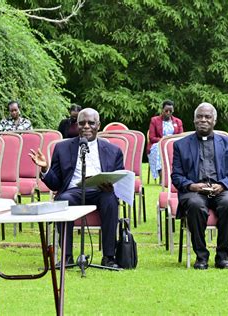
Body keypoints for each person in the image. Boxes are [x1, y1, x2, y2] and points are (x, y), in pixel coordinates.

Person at [29, 108, 124, 268]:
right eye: (82, 123)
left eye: (91, 123)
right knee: (63, 199)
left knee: (110, 200)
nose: (86, 126)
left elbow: (121, 179)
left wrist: (112, 186)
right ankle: (67, 257)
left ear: (98, 125)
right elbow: (56, 184)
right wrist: (45, 169)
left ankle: (109, 257)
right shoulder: (62, 148)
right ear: (76, 126)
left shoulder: (113, 151)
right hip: (73, 191)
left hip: (101, 191)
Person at [171, 103, 228, 270]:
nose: (203, 120)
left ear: (214, 121)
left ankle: (223, 257)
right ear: (194, 119)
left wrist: (222, 185)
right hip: (194, 192)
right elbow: (176, 176)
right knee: (195, 205)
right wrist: (193, 186)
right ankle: (201, 257)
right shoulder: (181, 145)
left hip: (221, 190)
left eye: (207, 117)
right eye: (200, 116)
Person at [147, 100, 183, 180]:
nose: (168, 113)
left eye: (170, 111)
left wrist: (170, 142)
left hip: (173, 144)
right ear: (162, 110)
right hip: (158, 143)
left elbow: (181, 137)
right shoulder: (154, 120)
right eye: (166, 110)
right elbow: (152, 137)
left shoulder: (178, 121)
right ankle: (162, 178)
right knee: (159, 150)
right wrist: (163, 140)